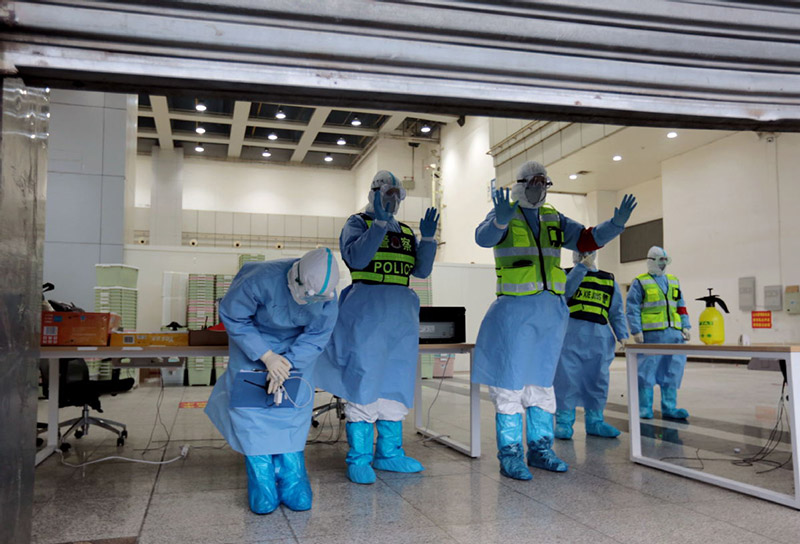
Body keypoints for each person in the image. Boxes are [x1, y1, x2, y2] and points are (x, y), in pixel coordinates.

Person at [473, 160, 637, 481]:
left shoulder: (553, 218)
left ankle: (540, 449)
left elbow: (585, 240)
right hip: (514, 313)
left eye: (543, 183)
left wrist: (615, 224)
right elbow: (483, 238)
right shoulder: (504, 213)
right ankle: (510, 454)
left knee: (542, 384)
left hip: (550, 314)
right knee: (510, 385)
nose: (538, 189)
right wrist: (499, 222)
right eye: (533, 182)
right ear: (520, 184)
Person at [314, 170, 438, 485]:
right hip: (365, 317)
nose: (391, 201)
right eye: (386, 194)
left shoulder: (407, 232)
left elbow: (420, 271)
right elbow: (357, 258)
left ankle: (390, 453)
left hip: (401, 319)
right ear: (373, 194)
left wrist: (428, 240)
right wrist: (380, 225)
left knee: (396, 381)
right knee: (364, 380)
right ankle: (359, 457)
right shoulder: (358, 223)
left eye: (396, 195)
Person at [205, 248, 340, 514]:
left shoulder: (328, 297)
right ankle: (262, 481)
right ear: (295, 278)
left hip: (298, 351)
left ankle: (293, 480)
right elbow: (234, 315)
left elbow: (318, 335)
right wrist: (266, 356)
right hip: (253, 346)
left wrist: (289, 362)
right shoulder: (259, 278)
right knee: (252, 409)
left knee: (292, 410)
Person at [553, 250, 629, 440]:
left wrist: (623, 336)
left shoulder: (608, 279)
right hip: (569, 339)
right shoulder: (564, 275)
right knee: (566, 380)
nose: (585, 255)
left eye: (588, 252)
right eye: (581, 252)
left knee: (598, 380)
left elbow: (616, 311)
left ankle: (595, 421)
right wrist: (580, 269)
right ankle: (563, 422)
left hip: (599, 341)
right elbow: (564, 294)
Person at [626, 246, 691, 420]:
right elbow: (632, 308)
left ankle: (670, 408)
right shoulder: (640, 282)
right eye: (659, 260)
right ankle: (644, 408)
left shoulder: (673, 281)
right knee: (647, 371)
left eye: (664, 260)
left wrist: (686, 326)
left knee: (673, 370)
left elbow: (681, 305)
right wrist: (636, 330)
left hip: (675, 336)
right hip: (651, 337)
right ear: (651, 261)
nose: (662, 264)